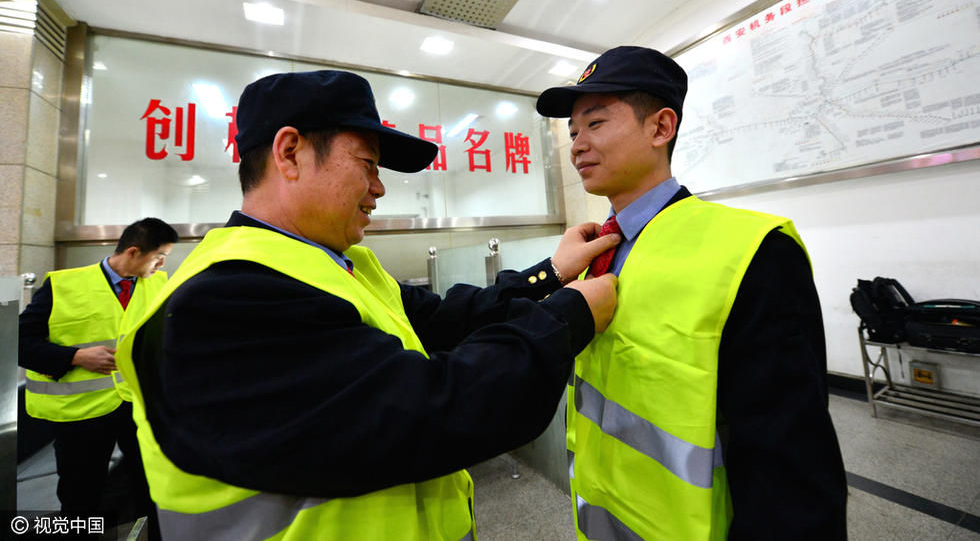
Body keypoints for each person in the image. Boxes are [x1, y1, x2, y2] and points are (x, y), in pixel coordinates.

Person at [115, 69, 620, 541]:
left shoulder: (336, 264)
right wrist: (566, 319)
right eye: (368, 165)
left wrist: (548, 275)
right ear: (290, 153)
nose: (379, 188)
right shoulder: (224, 302)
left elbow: (443, 320)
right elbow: (433, 409)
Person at [536, 46, 848, 540]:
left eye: (595, 124)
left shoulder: (750, 251)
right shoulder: (595, 253)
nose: (576, 145)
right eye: (572, 132)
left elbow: (791, 462)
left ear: (660, 128)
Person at [19, 217, 177, 528]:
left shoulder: (160, 285)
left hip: (140, 408)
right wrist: (75, 356)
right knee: (80, 498)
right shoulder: (63, 285)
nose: (160, 266)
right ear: (133, 252)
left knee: (150, 492)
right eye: (159, 257)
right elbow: (20, 343)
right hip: (82, 415)